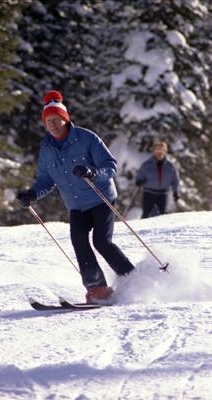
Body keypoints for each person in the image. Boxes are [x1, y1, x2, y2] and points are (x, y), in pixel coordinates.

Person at [17, 90, 134, 304]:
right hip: (76, 206)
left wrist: (92, 173)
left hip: (101, 198)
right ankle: (97, 288)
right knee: (79, 241)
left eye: (56, 119)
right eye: (48, 121)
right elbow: (46, 179)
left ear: (65, 118)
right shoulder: (46, 149)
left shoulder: (86, 138)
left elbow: (110, 165)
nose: (53, 124)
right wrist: (32, 194)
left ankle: (134, 281)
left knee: (102, 242)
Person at [135, 141, 180, 218]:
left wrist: (175, 192)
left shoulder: (170, 166)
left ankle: (159, 230)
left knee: (162, 216)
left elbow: (175, 180)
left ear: (165, 151)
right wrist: (139, 181)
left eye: (161, 149)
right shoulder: (146, 165)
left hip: (163, 194)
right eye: (157, 149)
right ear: (153, 151)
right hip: (149, 193)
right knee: (146, 215)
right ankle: (143, 229)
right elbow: (139, 175)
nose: (159, 152)